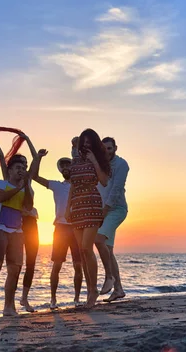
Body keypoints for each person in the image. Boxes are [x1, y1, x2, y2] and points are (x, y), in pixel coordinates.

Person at [0, 130, 41, 313]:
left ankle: (9, 307)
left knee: (15, 269)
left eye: (24, 168)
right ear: (10, 170)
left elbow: (28, 206)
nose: (22, 170)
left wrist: (25, 185)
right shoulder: (1, 183)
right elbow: (1, 198)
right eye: (18, 168)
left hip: (17, 232)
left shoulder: (25, 188)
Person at [65, 129, 111, 309]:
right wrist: (68, 207)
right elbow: (72, 185)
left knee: (86, 247)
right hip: (76, 205)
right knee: (82, 252)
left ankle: (94, 289)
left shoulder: (99, 159)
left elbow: (104, 181)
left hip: (92, 203)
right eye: (82, 142)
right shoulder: (75, 159)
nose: (85, 145)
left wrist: (94, 161)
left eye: (88, 142)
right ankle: (89, 290)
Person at [33, 155, 83, 308]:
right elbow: (34, 176)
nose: (66, 168)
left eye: (69, 165)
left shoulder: (80, 185)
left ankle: (77, 299)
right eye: (63, 166)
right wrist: (39, 158)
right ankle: (53, 300)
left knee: (78, 265)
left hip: (77, 227)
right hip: (60, 228)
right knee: (57, 265)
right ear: (60, 170)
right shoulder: (56, 185)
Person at [95, 137, 129, 303]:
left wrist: (104, 211)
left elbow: (116, 189)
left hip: (117, 209)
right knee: (108, 249)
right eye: (104, 149)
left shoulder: (122, 164)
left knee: (98, 239)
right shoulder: (99, 163)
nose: (107, 151)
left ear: (115, 148)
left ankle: (109, 277)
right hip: (103, 210)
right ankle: (118, 289)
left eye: (109, 148)